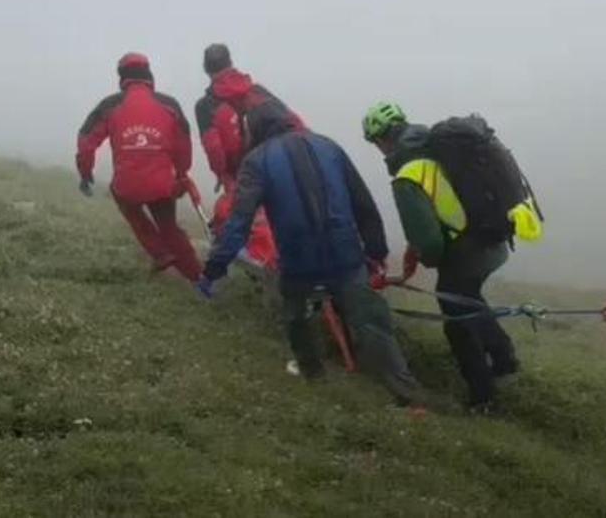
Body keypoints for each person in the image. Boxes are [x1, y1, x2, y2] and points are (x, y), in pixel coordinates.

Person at [197, 104, 423, 406]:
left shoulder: (257, 161)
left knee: (296, 320)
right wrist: (376, 253)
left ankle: (314, 379)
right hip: (346, 257)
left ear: (256, 130)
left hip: (299, 262)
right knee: (372, 324)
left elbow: (239, 222)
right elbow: (364, 204)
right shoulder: (328, 147)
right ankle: (407, 396)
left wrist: (214, 268)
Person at [361, 102, 520, 412]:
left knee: (457, 321)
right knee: (470, 299)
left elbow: (430, 242)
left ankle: (482, 397)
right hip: (492, 240)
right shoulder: (434, 148)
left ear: (381, 140)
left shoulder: (408, 175)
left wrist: (429, 258)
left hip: (465, 253)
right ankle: (504, 358)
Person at [75, 52, 202, 283]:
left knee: (123, 197)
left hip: (128, 186)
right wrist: (182, 174)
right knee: (169, 226)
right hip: (163, 185)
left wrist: (85, 173)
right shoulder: (169, 104)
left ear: (122, 77)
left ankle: (160, 254)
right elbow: (184, 142)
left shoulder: (110, 105)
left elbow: (86, 141)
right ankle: (198, 278)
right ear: (148, 74)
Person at [193, 43, 302, 269]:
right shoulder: (258, 91)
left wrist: (222, 174)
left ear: (206, 69)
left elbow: (214, 148)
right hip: (285, 160)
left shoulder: (206, 106)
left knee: (235, 215)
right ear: (231, 63)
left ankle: (267, 264)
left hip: (244, 171)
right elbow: (292, 122)